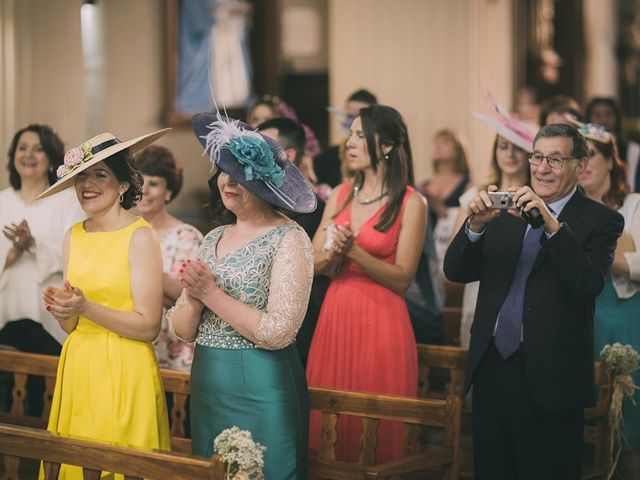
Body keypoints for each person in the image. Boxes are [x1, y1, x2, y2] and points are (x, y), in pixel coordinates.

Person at [444, 123, 624, 480]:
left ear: (580, 166)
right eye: (538, 157)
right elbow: (456, 270)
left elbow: (586, 283)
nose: (542, 168)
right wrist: (476, 225)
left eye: (556, 160)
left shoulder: (601, 220)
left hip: (552, 377)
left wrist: (550, 224)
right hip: (493, 366)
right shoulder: (503, 212)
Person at [168, 113, 316, 479]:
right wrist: (192, 298)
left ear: (264, 181)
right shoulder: (212, 238)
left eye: (240, 173)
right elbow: (182, 331)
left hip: (263, 384)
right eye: (223, 171)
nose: (228, 181)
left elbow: (279, 331)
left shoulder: (290, 238)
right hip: (209, 382)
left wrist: (212, 294)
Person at [40, 128, 172, 479]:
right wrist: (64, 310)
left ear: (124, 185)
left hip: (126, 367)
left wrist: (86, 308)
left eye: (100, 174)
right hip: (80, 366)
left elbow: (148, 327)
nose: (88, 184)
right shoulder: (74, 236)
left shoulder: (140, 236)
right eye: (81, 176)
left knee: (122, 464)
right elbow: (73, 326)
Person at [307, 105, 427, 462]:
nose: (350, 142)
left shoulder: (411, 201)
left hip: (382, 319)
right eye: (351, 134)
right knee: (331, 418)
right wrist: (333, 256)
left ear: (387, 144)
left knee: (373, 428)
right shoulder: (341, 194)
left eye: (361, 135)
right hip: (336, 314)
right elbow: (314, 261)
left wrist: (354, 252)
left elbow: (403, 278)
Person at [0, 124, 85, 415]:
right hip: (6, 308)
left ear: (51, 157)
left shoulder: (67, 201)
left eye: (38, 148)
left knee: (42, 400)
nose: (29, 155)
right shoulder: (2, 201)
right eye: (23, 148)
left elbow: (79, 257)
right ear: (13, 156)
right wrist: (11, 254)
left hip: (46, 313)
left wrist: (33, 245)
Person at [577, 122, 640, 479]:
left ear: (610, 163)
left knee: (626, 415)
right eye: (578, 157)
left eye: (592, 156)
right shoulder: (571, 208)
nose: (584, 163)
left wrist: (604, 255)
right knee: (586, 414)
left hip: (623, 314)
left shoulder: (634, 205)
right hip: (582, 314)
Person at [453, 106, 534, 348]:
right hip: (480, 289)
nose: (510, 154)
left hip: (519, 292)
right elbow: (456, 250)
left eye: (517, 147)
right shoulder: (475, 195)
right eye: (503, 146)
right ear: (495, 152)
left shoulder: (535, 200)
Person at [257, 117, 327, 365]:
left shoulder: (314, 210)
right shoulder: (254, 202)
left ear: (287, 154)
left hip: (300, 332)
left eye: (263, 145)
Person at [134, 145, 203, 371]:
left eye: (153, 183)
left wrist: (147, 271)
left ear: (169, 191)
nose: (144, 190)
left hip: (172, 349)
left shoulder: (187, 236)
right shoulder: (123, 233)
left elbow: (187, 297)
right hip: (131, 343)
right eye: (139, 181)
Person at [420, 128, 472, 308]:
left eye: (445, 142)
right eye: (437, 143)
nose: (438, 146)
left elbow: (466, 215)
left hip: (449, 247)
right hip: (427, 248)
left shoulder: (467, 184)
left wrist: (439, 208)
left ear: (458, 150)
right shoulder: (424, 185)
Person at [315, 89, 378, 189]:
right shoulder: (326, 158)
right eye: (349, 116)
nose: (354, 122)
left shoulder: (380, 160)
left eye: (359, 116)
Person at [585, 96, 640, 192]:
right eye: (597, 115)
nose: (603, 120)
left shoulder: (634, 151)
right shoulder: (580, 150)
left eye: (608, 114)